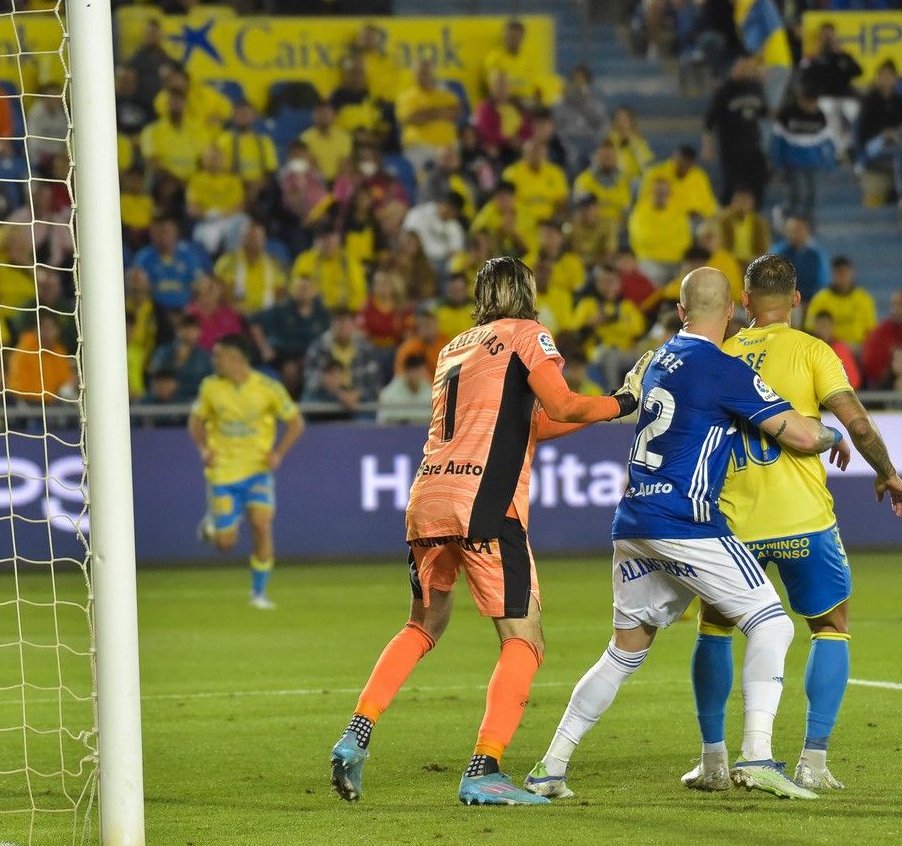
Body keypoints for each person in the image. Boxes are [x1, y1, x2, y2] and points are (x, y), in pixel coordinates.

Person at [522, 266, 848, 802]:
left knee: (624, 652)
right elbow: (802, 434)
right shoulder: (723, 368)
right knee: (773, 625)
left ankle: (550, 767)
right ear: (731, 312)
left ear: (680, 312)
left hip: (633, 521)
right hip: (685, 521)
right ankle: (757, 757)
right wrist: (833, 433)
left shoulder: (654, 359)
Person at [329, 257, 638, 806]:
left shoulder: (454, 348)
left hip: (428, 497)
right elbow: (563, 403)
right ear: (527, 292)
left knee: (422, 625)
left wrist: (603, 412)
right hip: (486, 503)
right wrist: (625, 401)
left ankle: (355, 736)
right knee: (524, 639)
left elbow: (532, 424)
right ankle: (484, 768)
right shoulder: (527, 335)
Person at [676, 254, 902, 795]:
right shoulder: (813, 351)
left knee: (715, 626)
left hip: (732, 524)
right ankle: (813, 761)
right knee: (830, 627)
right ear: (797, 299)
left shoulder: (719, 352)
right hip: (804, 519)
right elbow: (858, 425)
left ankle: (713, 761)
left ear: (745, 302)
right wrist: (887, 472)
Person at [190, 334, 304, 610]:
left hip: (257, 471)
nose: (214, 360)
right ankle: (211, 527)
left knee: (262, 524)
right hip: (223, 474)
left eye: (218, 355)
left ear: (235, 358)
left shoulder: (267, 387)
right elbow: (195, 422)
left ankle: (258, 593)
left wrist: (278, 453)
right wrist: (204, 449)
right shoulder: (210, 387)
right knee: (225, 544)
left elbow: (295, 422)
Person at [703, 56, 769, 202]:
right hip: (731, 145)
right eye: (742, 67)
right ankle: (725, 211)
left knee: (758, 181)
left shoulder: (756, 88)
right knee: (732, 184)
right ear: (734, 69)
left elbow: (763, 112)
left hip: (753, 143)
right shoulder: (724, 91)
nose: (746, 70)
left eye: (749, 68)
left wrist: (764, 81)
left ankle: (753, 212)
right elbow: (709, 121)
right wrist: (708, 147)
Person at [854, 61, 902, 205]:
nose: (886, 80)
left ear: (896, 79)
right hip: (874, 143)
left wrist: (896, 132)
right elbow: (863, 129)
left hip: (896, 142)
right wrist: (884, 133)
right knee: (901, 153)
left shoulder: (901, 102)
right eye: (882, 76)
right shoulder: (870, 100)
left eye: (889, 76)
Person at [771, 87, 836, 225]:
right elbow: (778, 141)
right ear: (801, 99)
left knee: (813, 195)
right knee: (798, 193)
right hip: (793, 163)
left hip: (814, 163)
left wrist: (830, 164)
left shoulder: (820, 116)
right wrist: (778, 163)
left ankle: (807, 226)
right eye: (809, 102)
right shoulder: (787, 114)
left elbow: (827, 142)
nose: (812, 106)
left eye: (814, 102)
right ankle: (787, 219)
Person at [801, 24, 862, 160]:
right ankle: (837, 151)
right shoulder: (814, 57)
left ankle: (851, 149)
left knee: (852, 113)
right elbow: (805, 74)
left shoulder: (844, 56)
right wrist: (816, 55)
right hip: (824, 97)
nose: (828, 38)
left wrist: (841, 53)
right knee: (829, 114)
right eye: (825, 35)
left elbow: (859, 72)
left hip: (846, 98)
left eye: (830, 34)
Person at [396, 59, 461, 174]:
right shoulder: (406, 97)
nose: (424, 76)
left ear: (433, 73)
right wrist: (441, 112)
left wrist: (426, 113)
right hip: (420, 147)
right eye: (421, 72)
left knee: (454, 171)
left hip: (447, 145)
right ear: (415, 75)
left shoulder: (446, 95)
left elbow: (455, 113)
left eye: (427, 72)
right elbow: (413, 119)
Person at [802, 256, 877, 350]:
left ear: (852, 273)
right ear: (832, 274)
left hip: (857, 348)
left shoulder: (864, 298)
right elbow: (810, 328)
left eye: (845, 273)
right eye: (839, 273)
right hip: (828, 347)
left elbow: (871, 330)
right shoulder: (820, 298)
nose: (842, 277)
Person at [628, 177, 692, 286]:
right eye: (658, 192)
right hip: (650, 259)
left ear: (669, 194)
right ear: (651, 192)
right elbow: (644, 239)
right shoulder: (640, 213)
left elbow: (685, 240)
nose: (661, 195)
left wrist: (661, 239)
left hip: (677, 260)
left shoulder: (678, 212)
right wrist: (668, 239)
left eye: (664, 192)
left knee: (688, 278)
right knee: (654, 277)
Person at [767, 215, 831, 311]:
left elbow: (823, 283)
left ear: (807, 231)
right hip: (785, 303)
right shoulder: (777, 253)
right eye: (792, 230)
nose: (796, 233)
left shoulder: (817, 255)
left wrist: (814, 301)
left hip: (811, 301)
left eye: (800, 229)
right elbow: (770, 282)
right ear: (786, 232)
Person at [376, 353, 434, 426]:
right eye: (414, 370)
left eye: (420, 371)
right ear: (407, 371)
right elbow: (384, 419)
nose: (417, 374)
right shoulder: (390, 393)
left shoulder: (429, 389)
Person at [810, 310, 862, 390]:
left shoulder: (840, 348)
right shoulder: (810, 349)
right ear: (815, 327)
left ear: (832, 326)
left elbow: (853, 381)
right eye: (820, 325)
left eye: (825, 325)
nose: (823, 329)